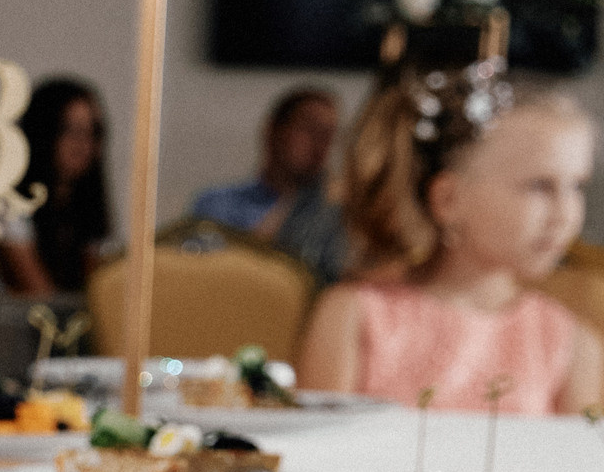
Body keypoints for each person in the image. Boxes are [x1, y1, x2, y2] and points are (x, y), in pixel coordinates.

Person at [299, 66, 600, 413]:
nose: (565, 213)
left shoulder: (570, 343)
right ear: (449, 200)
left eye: (576, 186)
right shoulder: (354, 317)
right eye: (539, 186)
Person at [189, 86, 351, 284]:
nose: (320, 143)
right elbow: (206, 277)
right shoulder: (218, 204)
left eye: (328, 134)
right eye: (310, 129)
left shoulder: (335, 212)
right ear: (273, 130)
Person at [0, 76, 112, 298]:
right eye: (71, 130)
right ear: (43, 132)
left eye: (94, 132)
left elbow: (96, 292)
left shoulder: (83, 209)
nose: (84, 144)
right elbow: (42, 296)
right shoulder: (11, 206)